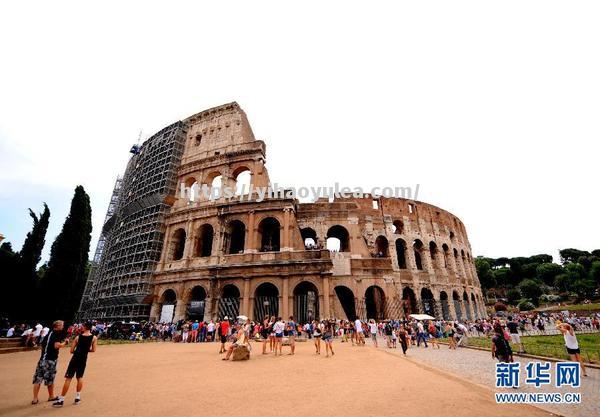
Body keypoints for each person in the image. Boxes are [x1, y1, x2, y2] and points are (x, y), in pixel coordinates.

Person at [53, 322, 97, 406]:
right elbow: (94, 350)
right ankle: (77, 397)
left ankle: (61, 399)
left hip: (75, 358)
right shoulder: (94, 338)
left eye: (82, 326)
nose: (81, 328)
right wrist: (85, 350)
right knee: (80, 377)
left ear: (85, 327)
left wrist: (78, 351)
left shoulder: (78, 337)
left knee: (68, 378)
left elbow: (71, 351)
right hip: (83, 359)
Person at [31, 320, 68, 405]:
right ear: (57, 326)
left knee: (38, 379)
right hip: (50, 360)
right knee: (50, 378)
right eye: (62, 325)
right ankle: (51, 396)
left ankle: (35, 398)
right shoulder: (56, 334)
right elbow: (57, 345)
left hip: (42, 359)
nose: (63, 327)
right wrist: (65, 343)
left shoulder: (49, 334)